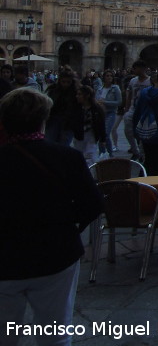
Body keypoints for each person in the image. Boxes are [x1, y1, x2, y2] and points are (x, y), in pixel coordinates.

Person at [0, 88, 103, 342]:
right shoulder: (68, 157)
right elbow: (92, 205)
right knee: (54, 334)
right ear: (43, 119)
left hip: (4, 260)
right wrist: (67, 225)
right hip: (56, 255)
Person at [123, 60, 151, 161]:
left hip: (145, 111)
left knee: (143, 133)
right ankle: (135, 150)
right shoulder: (133, 81)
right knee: (127, 130)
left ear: (142, 69)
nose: (133, 70)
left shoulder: (150, 81)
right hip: (133, 108)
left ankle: (142, 153)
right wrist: (126, 108)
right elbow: (129, 94)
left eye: (135, 68)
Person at [45, 66, 79, 148]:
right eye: (63, 82)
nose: (65, 84)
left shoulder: (76, 92)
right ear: (59, 81)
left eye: (68, 82)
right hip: (53, 120)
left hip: (68, 123)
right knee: (50, 144)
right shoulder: (53, 90)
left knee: (64, 146)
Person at [72, 85, 107, 166]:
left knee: (90, 156)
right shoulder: (76, 108)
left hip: (91, 135)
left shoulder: (97, 109)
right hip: (79, 135)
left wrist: (103, 139)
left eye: (80, 94)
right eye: (77, 94)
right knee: (79, 155)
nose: (77, 96)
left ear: (87, 96)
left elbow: (101, 124)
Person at [95, 70, 122, 155]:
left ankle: (110, 153)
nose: (109, 77)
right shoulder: (100, 89)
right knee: (100, 134)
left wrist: (105, 102)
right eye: (107, 75)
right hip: (100, 113)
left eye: (111, 76)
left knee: (106, 134)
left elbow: (119, 102)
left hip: (111, 113)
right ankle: (101, 153)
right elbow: (96, 100)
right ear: (104, 77)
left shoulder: (115, 88)